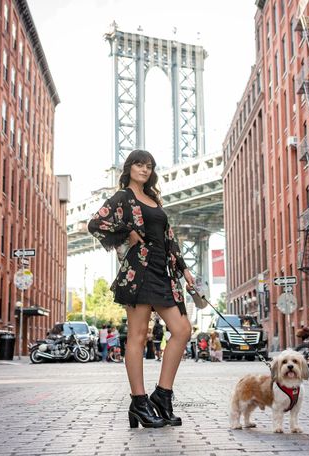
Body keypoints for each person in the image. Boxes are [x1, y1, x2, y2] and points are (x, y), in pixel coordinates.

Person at [88, 149, 194, 429]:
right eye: (139, 164)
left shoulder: (154, 199)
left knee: (183, 330)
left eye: (149, 166)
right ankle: (139, 402)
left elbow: (168, 237)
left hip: (162, 271)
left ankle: (162, 395)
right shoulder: (124, 197)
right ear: (129, 167)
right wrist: (127, 231)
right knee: (137, 336)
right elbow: (95, 223)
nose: (144, 170)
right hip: (138, 273)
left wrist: (185, 270)